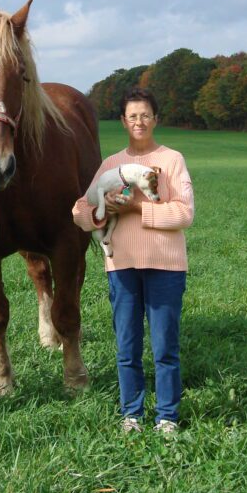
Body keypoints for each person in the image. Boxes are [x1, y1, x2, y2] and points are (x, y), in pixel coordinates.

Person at [72, 87, 194, 435]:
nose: (138, 121)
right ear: (123, 121)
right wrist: (103, 210)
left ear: (155, 119)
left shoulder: (172, 160)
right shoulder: (111, 165)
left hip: (165, 267)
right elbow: (80, 211)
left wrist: (137, 208)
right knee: (127, 348)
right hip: (122, 268)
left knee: (164, 347)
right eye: (132, 116)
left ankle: (167, 416)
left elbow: (184, 213)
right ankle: (132, 415)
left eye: (145, 115)